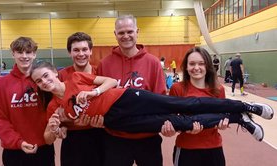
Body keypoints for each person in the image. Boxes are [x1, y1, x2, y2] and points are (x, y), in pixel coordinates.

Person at [30, 61, 274, 146]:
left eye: (46, 76)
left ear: (54, 72)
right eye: (39, 81)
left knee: (185, 105)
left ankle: (247, 108)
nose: (44, 81)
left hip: (126, 98)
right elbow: (48, 137)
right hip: (116, 122)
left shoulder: (75, 77)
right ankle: (238, 119)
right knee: (180, 122)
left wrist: (93, 93)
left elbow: (112, 81)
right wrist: (54, 129)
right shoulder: (54, 108)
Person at [96, 14, 167, 166]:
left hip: (148, 136)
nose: (126, 36)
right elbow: (100, 99)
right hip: (116, 137)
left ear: (137, 32)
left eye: (129, 31)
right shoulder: (105, 64)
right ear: (115, 34)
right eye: (121, 33)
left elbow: (160, 98)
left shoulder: (153, 63)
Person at [0, 37, 55, 166]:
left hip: (43, 149)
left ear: (34, 54)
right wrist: (18, 142)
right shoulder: (0, 85)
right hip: (14, 150)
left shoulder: (44, 82)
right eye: (20, 52)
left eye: (28, 52)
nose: (24, 56)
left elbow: (56, 108)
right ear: (13, 53)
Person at [168, 47, 229, 166]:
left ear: (208, 66)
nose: (196, 68)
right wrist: (184, 128)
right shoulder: (177, 89)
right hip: (186, 148)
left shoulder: (218, 90)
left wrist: (223, 125)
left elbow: (222, 116)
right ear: (186, 66)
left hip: (213, 148)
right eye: (192, 64)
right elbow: (172, 120)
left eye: (201, 63)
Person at [57, 32, 105, 166]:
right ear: (69, 52)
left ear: (90, 51)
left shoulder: (101, 74)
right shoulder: (62, 76)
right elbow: (55, 106)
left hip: (99, 135)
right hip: (73, 139)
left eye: (84, 49)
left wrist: (103, 122)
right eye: (76, 50)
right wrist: (62, 124)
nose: (81, 54)